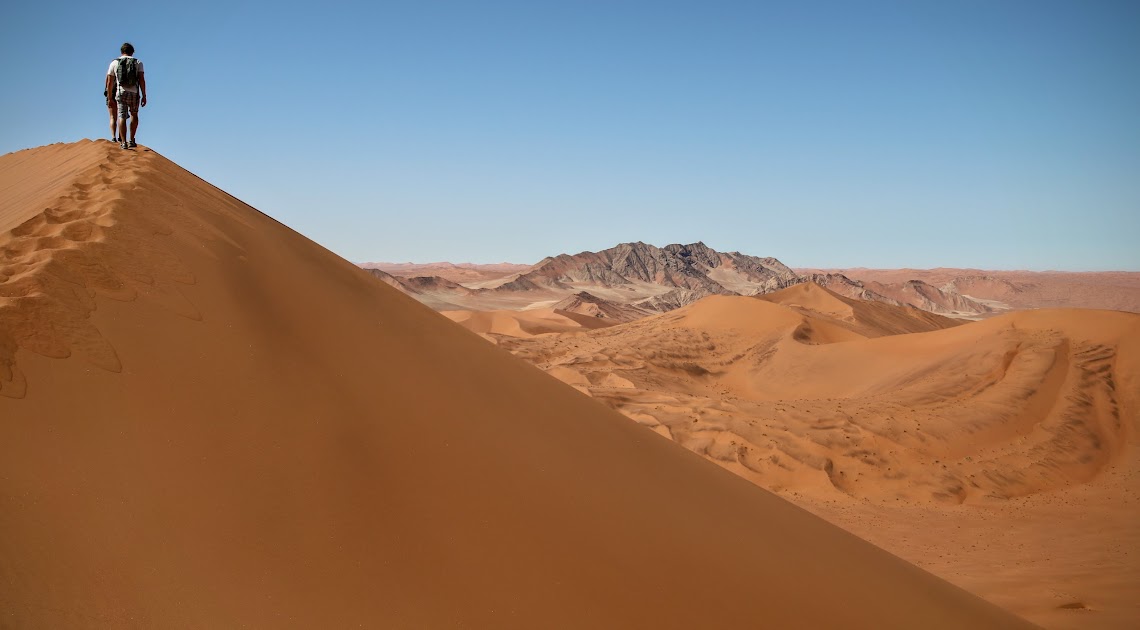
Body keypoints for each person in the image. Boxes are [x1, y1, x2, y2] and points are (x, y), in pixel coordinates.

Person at [105, 43, 147, 149]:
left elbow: (109, 81)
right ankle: (131, 139)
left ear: (121, 51)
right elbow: (142, 79)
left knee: (121, 116)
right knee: (134, 115)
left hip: (120, 92)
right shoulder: (138, 62)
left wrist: (110, 97)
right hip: (134, 93)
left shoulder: (114, 62)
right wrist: (144, 95)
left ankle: (123, 142)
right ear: (132, 52)